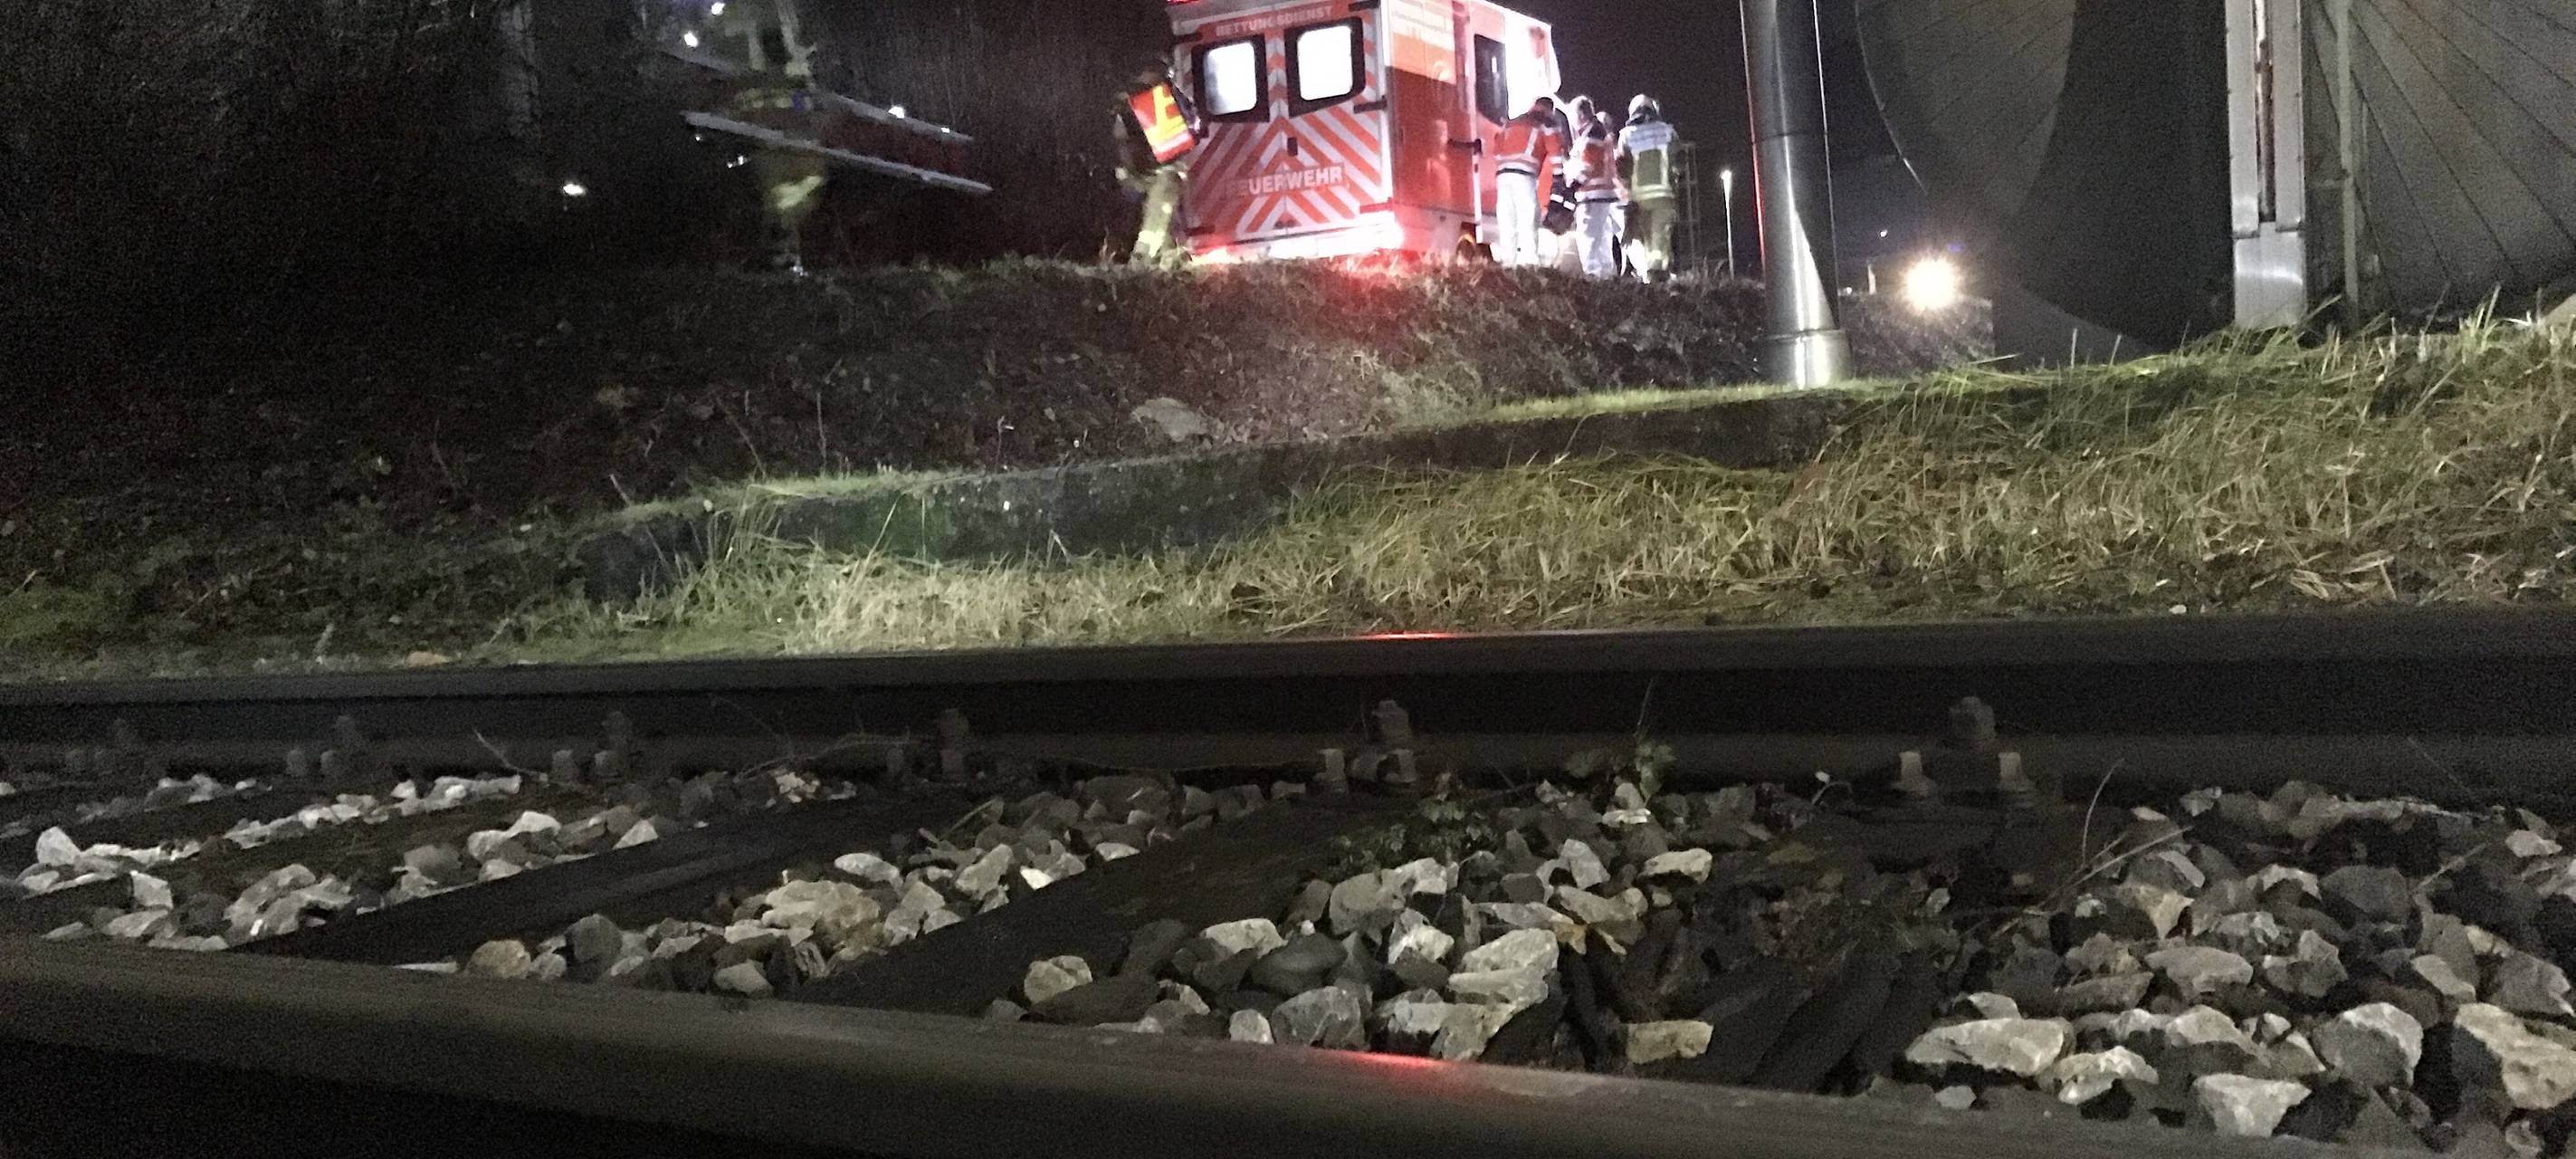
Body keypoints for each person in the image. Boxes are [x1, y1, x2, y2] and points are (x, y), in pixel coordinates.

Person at [713, 0, 829, 273]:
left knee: (790, 191)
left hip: (783, 132)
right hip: (766, 131)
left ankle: (786, 256)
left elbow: (800, 85)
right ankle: (780, 256)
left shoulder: (780, 14)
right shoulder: (744, 17)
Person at [1113, 61, 1203, 268]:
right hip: (1149, 173)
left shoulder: (1168, 97)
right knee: (1160, 210)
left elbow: (1193, 126)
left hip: (1161, 171)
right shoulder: (1130, 102)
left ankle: (1164, 260)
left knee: (1161, 212)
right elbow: (1122, 141)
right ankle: (1146, 260)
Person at [1492, 96, 1565, 268]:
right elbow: (1555, 150)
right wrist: (1558, 178)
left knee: (1507, 221)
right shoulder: (1546, 122)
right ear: (1550, 109)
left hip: (1503, 175)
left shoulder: (1512, 122)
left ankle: (1508, 264)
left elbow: (1496, 146)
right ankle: (1529, 265)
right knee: (1527, 220)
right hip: (1524, 175)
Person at [1618, 94, 1681, 283]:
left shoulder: (1626, 135)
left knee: (1643, 244)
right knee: (1659, 246)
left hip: (1638, 200)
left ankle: (1650, 283)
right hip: (1664, 198)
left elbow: (1622, 168)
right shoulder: (1668, 131)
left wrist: (1626, 196)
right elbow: (1676, 159)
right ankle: (1659, 284)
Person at [1569, 106, 1621, 279]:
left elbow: (1588, 165)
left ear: (1580, 115)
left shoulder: (1591, 135)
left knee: (1588, 238)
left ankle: (1592, 276)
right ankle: (1606, 276)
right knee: (1603, 239)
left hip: (1591, 194)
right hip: (1603, 195)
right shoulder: (1599, 132)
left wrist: (1572, 186)